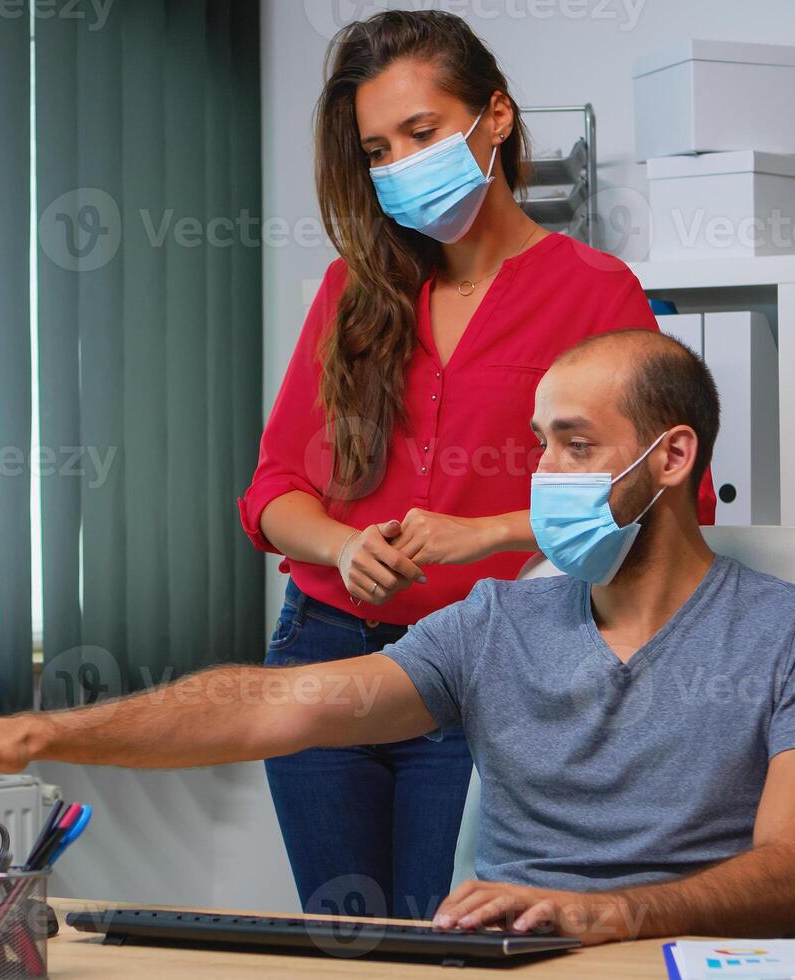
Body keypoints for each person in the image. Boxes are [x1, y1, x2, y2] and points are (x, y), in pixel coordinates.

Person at [0, 330, 795, 944]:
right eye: (539, 447)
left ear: (670, 459)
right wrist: (46, 729)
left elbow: (794, 872)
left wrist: (600, 913)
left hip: (665, 960)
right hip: (502, 961)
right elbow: (276, 703)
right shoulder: (495, 621)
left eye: (575, 446)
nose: (543, 476)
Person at [235, 10, 714, 919]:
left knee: (449, 938)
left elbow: (661, 499)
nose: (401, 164)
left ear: (494, 117)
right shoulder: (353, 288)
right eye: (377, 149)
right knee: (345, 943)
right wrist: (340, 546)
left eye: (421, 132)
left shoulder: (594, 291)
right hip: (324, 651)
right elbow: (271, 493)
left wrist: (486, 533)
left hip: (488, 669)